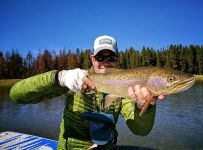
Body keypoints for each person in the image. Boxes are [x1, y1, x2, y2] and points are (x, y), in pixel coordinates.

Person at [9, 35, 165, 150]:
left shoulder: (126, 87)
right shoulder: (75, 79)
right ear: (92, 59)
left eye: (111, 56)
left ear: (117, 59)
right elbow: (16, 95)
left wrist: (144, 106)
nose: (105, 62)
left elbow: (140, 130)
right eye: (100, 57)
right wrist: (59, 77)